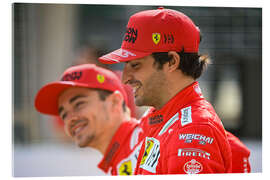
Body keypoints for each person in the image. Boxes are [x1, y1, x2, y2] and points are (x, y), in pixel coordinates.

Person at [99, 7, 249, 174]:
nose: (125, 78)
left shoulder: (191, 132)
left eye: (135, 65)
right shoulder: (161, 117)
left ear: (171, 61)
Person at [34, 64, 144, 175]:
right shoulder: (118, 161)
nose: (70, 119)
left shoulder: (147, 143)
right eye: (64, 114)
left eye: (79, 104)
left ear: (114, 102)